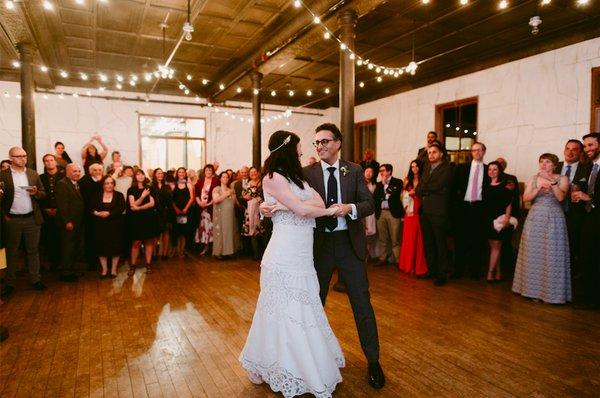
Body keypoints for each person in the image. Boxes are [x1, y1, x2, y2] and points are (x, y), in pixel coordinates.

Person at [262, 123, 384, 388]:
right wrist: (265, 206)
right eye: (316, 143)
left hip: (349, 245)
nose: (320, 147)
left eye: (325, 142)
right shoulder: (304, 172)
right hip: (316, 248)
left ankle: (373, 361)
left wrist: (349, 207)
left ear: (338, 143)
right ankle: (307, 363)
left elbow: (368, 204)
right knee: (312, 304)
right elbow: (284, 197)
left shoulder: (353, 170)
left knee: (362, 304)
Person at [240, 131, 344, 397]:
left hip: (302, 255)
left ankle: (301, 363)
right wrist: (329, 210)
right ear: (286, 150)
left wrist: (288, 206)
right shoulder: (272, 178)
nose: (300, 152)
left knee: (305, 305)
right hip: (283, 253)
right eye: (297, 148)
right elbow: (304, 209)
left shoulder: (297, 178)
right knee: (282, 311)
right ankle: (285, 367)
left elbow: (314, 203)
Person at [512, 153, 571, 304]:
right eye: (541, 162)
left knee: (552, 253)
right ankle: (532, 291)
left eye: (547, 162)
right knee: (534, 254)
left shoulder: (562, 178)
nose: (543, 165)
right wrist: (538, 189)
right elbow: (525, 198)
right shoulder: (534, 178)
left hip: (554, 218)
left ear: (555, 165)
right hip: (535, 217)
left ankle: (552, 294)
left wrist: (552, 183)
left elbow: (560, 198)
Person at [0, 147, 47, 295]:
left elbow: (43, 193)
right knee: (12, 252)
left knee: (33, 251)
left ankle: (35, 280)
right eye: (18, 156)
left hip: (32, 219)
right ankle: (10, 284)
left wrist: (36, 193)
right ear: (11, 157)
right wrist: (4, 215)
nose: (22, 158)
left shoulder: (33, 174)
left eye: (24, 156)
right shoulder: (2, 175)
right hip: (12, 219)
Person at [417, 142, 453, 286]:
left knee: (440, 243)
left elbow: (440, 185)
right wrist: (427, 188)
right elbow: (419, 188)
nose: (431, 155)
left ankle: (441, 274)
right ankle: (431, 270)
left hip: (438, 212)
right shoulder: (426, 168)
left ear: (441, 154)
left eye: (434, 152)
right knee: (428, 243)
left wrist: (426, 188)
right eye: (429, 152)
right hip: (425, 210)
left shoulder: (447, 168)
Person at [452, 142, 489, 279]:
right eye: (474, 150)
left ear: (484, 151)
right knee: (460, 241)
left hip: (479, 209)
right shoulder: (461, 168)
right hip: (463, 208)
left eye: (480, 150)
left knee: (477, 241)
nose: (477, 152)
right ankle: (458, 271)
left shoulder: (489, 170)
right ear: (471, 153)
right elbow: (453, 189)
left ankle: (475, 272)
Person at [571, 132, 600, 309]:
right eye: (586, 146)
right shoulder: (590, 167)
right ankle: (591, 297)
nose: (587, 149)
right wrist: (579, 194)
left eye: (591, 145)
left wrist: (588, 198)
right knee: (588, 257)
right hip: (589, 219)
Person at [483, 161, 513, 283]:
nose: (492, 172)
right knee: (494, 247)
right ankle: (498, 273)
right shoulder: (485, 185)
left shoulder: (505, 185)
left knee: (496, 245)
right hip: (487, 219)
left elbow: (509, 204)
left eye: (495, 169)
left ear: (499, 171)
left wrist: (507, 218)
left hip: (499, 219)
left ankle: (490, 273)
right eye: (489, 169)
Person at [90, 175, 126, 278]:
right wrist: (97, 213)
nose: (109, 185)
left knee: (115, 248)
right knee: (102, 248)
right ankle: (104, 270)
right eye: (107, 183)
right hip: (100, 226)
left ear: (114, 184)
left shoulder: (119, 195)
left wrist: (109, 213)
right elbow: (91, 207)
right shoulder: (96, 195)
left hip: (115, 226)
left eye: (111, 183)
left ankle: (114, 269)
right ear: (103, 185)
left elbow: (121, 208)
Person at [55, 164, 84, 282]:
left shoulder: (75, 184)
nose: (77, 173)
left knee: (73, 247)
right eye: (74, 171)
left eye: (78, 171)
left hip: (76, 222)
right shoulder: (62, 184)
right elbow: (62, 205)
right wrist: (67, 221)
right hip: (69, 223)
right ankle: (66, 273)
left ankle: (71, 270)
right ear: (67, 172)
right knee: (68, 248)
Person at [557, 140, 584, 267]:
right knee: (556, 243)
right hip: (555, 211)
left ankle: (571, 271)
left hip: (575, 213)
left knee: (573, 243)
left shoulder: (587, 168)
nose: (570, 152)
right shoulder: (555, 166)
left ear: (580, 152)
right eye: (568, 148)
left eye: (574, 149)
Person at [127, 170, 159, 275]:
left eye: (142, 174)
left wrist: (139, 208)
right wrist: (142, 196)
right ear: (135, 177)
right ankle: (132, 266)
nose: (140, 176)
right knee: (136, 242)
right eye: (138, 174)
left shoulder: (150, 188)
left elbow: (152, 203)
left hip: (148, 218)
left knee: (149, 242)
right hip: (136, 220)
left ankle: (148, 264)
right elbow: (132, 205)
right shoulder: (131, 190)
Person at [398, 159, 428, 277]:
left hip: (420, 209)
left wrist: (417, 193)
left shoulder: (424, 180)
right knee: (409, 239)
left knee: (420, 239)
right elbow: (403, 195)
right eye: (412, 167)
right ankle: (407, 265)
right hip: (410, 211)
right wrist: (408, 195)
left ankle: (419, 267)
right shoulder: (407, 180)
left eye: (416, 166)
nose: (414, 169)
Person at [373, 164, 403, 266]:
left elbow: (394, 193)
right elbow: (376, 197)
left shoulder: (398, 182)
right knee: (382, 238)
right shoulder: (378, 184)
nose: (381, 173)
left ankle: (398, 260)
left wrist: (385, 185)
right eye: (380, 171)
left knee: (395, 239)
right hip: (381, 213)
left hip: (393, 213)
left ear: (389, 171)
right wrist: (385, 189)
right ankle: (383, 258)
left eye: (383, 170)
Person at [495, 157, 521, 273]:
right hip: (492, 214)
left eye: (502, 164)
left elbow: (514, 198)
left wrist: (508, 216)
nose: (499, 166)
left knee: (505, 243)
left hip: (507, 214)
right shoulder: (489, 177)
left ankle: (505, 269)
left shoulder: (511, 178)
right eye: (497, 164)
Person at [39, 154, 65, 270]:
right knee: (49, 238)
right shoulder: (40, 177)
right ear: (44, 163)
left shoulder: (64, 176)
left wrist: (59, 208)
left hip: (62, 212)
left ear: (55, 162)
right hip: (46, 212)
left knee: (63, 238)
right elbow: (39, 195)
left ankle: (63, 263)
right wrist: (45, 208)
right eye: (46, 161)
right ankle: (53, 262)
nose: (49, 162)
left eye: (51, 160)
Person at [79, 162, 104, 269]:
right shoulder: (84, 181)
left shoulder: (105, 181)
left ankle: (102, 261)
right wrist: (98, 183)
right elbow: (88, 197)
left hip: (102, 214)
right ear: (90, 172)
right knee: (90, 238)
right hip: (89, 214)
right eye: (95, 170)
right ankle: (91, 262)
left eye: (99, 170)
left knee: (101, 237)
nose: (98, 172)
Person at [212, 172, 239, 259]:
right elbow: (216, 200)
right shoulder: (217, 189)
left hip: (230, 214)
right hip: (220, 214)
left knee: (229, 231)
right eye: (223, 177)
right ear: (220, 179)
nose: (225, 179)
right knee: (221, 231)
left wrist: (233, 195)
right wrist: (226, 194)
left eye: (227, 177)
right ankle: (219, 252)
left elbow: (234, 202)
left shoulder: (231, 189)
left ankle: (229, 252)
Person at [241, 167, 265, 260]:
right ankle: (255, 254)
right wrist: (247, 196)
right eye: (251, 172)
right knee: (252, 231)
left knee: (262, 231)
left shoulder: (262, 182)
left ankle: (263, 253)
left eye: (255, 171)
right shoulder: (247, 184)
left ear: (258, 173)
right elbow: (245, 196)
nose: (253, 173)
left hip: (260, 209)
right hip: (250, 209)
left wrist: (253, 196)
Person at [195, 164, 219, 255]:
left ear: (213, 172)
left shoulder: (216, 181)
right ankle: (205, 247)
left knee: (212, 228)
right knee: (203, 228)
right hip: (201, 208)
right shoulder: (200, 181)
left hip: (211, 207)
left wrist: (209, 203)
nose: (208, 172)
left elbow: (217, 193)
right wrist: (200, 203)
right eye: (206, 170)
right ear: (204, 172)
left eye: (210, 170)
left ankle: (213, 248)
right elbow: (196, 194)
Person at [172, 167, 195, 258]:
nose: (181, 173)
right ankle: (176, 250)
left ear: (185, 174)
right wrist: (176, 208)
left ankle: (182, 251)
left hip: (185, 211)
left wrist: (185, 208)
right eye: (179, 172)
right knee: (176, 232)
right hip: (176, 211)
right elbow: (172, 199)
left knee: (184, 232)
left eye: (183, 172)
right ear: (177, 174)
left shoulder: (188, 184)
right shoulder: (174, 185)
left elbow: (192, 197)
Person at [152, 168, 173, 260]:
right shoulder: (151, 186)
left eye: (161, 173)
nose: (160, 175)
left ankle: (164, 254)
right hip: (155, 212)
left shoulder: (167, 186)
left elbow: (170, 200)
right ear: (155, 175)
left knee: (166, 232)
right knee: (155, 234)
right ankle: (154, 254)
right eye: (158, 173)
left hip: (166, 212)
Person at [233, 166, 251, 256]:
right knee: (241, 228)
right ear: (240, 173)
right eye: (242, 172)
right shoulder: (237, 184)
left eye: (245, 172)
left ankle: (251, 249)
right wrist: (240, 206)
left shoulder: (251, 182)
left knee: (250, 228)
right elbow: (236, 197)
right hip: (240, 209)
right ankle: (244, 249)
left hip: (250, 208)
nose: (244, 174)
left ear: (248, 172)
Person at [363, 167, 378, 260]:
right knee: (362, 233)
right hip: (363, 211)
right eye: (367, 171)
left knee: (370, 234)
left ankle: (367, 257)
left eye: (371, 172)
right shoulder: (359, 183)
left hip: (371, 213)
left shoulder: (375, 185)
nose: (369, 173)